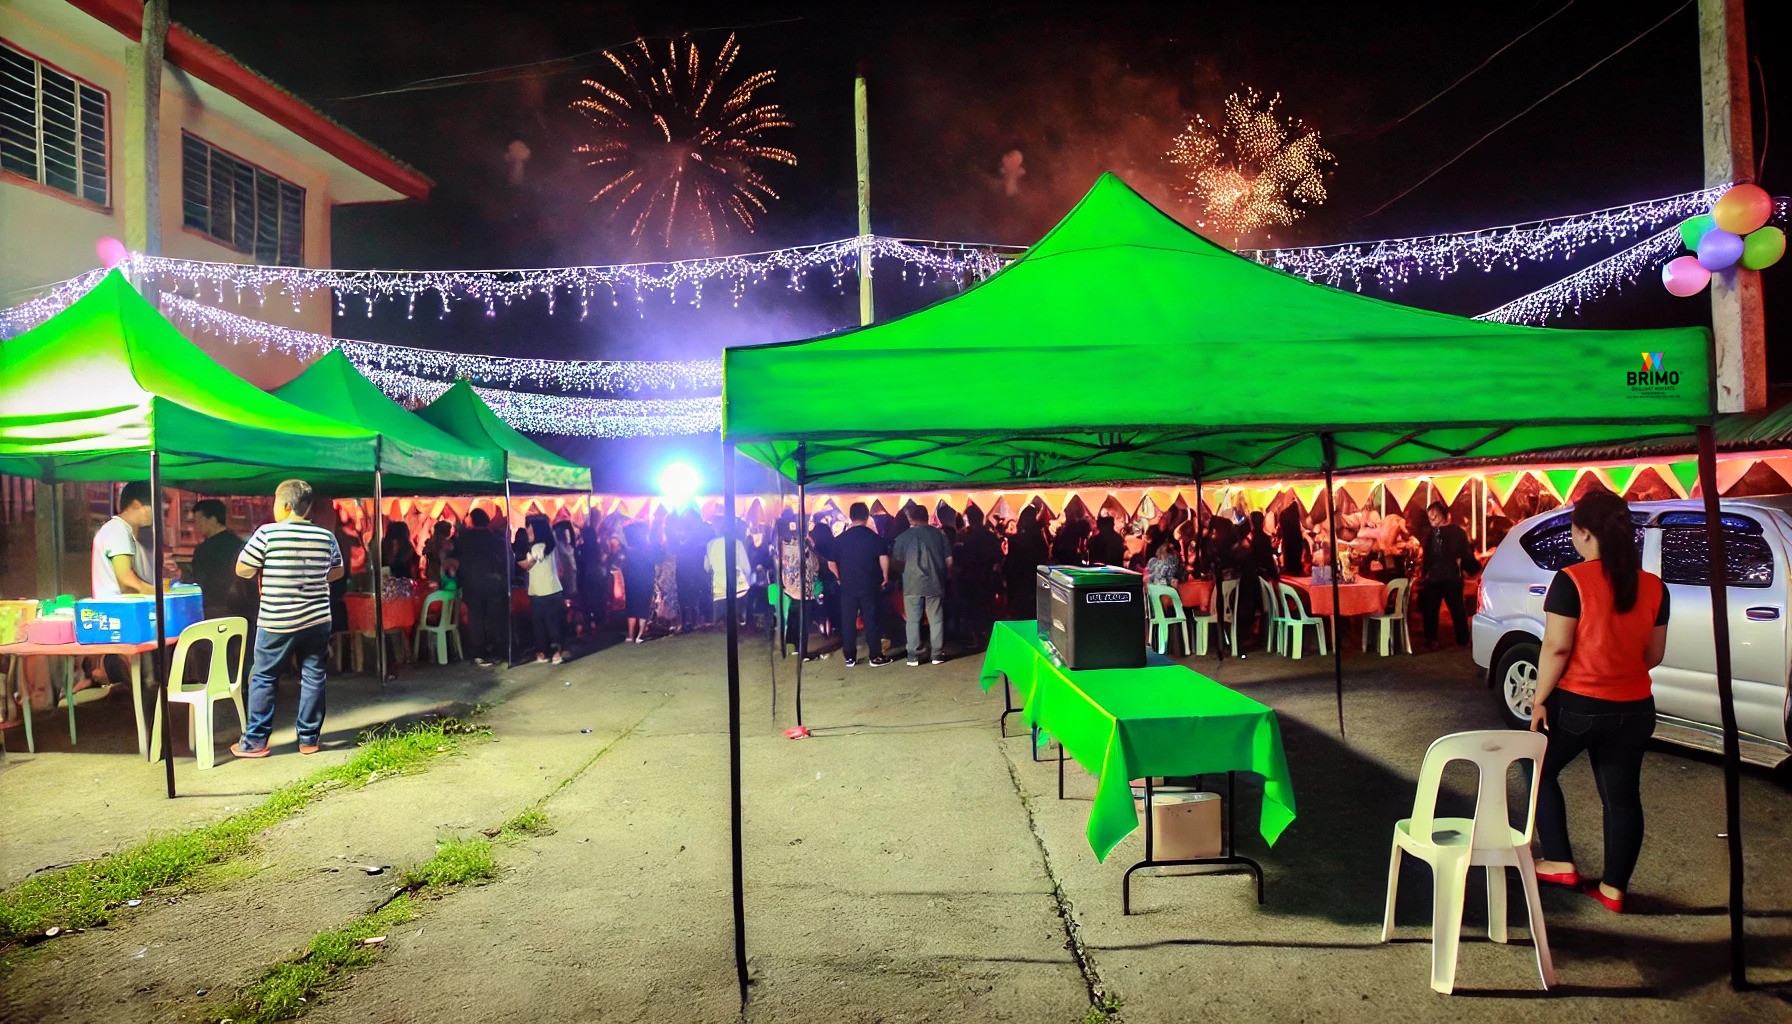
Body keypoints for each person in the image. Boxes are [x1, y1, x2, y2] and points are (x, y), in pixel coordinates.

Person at [1529, 491, 1668, 914]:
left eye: (1575, 530)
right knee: (1622, 797)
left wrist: (1538, 700)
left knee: (1536, 768)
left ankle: (1558, 860)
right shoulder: (1653, 586)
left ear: (1585, 533)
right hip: (1635, 707)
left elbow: (1555, 648)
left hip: (1578, 706)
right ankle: (1613, 890)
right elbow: (1654, 655)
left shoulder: (1571, 580)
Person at [231, 479, 344, 758]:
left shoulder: (267, 534)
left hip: (276, 621)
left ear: (284, 505)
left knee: (263, 677)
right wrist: (313, 578)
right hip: (317, 619)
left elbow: (242, 569)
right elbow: (338, 571)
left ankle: (255, 742)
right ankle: (309, 739)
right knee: (314, 676)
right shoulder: (326, 536)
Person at [829, 502, 891, 668]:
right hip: (870, 584)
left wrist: (839, 577)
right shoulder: (875, 538)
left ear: (850, 516)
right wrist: (885, 576)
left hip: (848, 586)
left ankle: (850, 657)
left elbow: (831, 562)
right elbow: (883, 558)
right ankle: (875, 656)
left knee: (848, 620)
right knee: (871, 619)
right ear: (866, 516)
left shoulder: (840, 539)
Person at [890, 504, 952, 666]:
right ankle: (937, 654)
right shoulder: (940, 535)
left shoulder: (902, 538)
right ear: (927, 516)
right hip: (935, 582)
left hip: (911, 583)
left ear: (911, 518)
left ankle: (913, 655)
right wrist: (946, 574)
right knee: (936, 618)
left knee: (912, 620)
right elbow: (949, 561)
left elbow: (897, 564)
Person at [187, 498, 255, 631]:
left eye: (198, 521)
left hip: (213, 613)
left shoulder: (203, 550)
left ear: (212, 520)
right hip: (242, 612)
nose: (195, 527)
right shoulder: (240, 545)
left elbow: (199, 582)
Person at [1417, 501, 1477, 649]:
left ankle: (1433, 639)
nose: (1432, 520)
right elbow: (1465, 554)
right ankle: (1462, 639)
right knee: (1456, 609)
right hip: (1449, 577)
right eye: (1430, 517)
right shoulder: (1457, 532)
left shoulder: (1435, 534)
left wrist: (1424, 575)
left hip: (1439, 577)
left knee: (1434, 609)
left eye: (1434, 516)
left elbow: (1428, 558)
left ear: (1443, 515)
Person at [455, 509, 510, 667]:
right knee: (495, 619)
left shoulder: (464, 539)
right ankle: (499, 651)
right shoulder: (496, 539)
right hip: (494, 583)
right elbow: (505, 562)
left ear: (472, 521)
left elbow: (455, 560)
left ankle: (479, 654)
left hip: (472, 584)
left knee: (476, 619)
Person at [517, 514, 568, 664]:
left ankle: (549, 652)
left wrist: (519, 558)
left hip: (546, 590)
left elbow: (528, 564)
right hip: (543, 589)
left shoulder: (540, 546)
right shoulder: (548, 544)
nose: (529, 534)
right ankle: (548, 651)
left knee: (546, 623)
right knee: (544, 623)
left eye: (531, 531)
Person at [955, 506, 1004, 647]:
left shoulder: (969, 537)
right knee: (987, 607)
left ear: (970, 519)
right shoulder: (990, 535)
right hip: (987, 577)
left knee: (974, 609)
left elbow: (964, 558)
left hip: (973, 578)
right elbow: (998, 555)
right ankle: (989, 636)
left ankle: (978, 639)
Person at [1002, 506, 1050, 621]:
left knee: (1019, 618)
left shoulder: (1014, 540)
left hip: (1018, 586)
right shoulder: (1039, 540)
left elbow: (1009, 565)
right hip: (1033, 585)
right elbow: (1044, 559)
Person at [705, 517, 751, 628]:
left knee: (720, 625)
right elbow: (747, 567)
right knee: (736, 623)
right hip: (738, 589)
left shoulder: (711, 544)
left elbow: (706, 567)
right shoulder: (738, 543)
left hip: (719, 589)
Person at [621, 522, 656, 643]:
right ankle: (640, 635)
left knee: (631, 606)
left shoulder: (627, 551)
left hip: (631, 581)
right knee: (643, 607)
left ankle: (630, 635)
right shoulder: (647, 550)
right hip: (645, 580)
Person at [422, 521, 453, 585]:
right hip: (442, 574)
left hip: (432, 574)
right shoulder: (448, 545)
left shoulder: (430, 543)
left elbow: (424, 553)